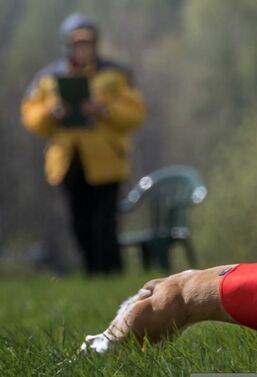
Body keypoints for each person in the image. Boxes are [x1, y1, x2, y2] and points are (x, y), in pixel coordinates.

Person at [20, 13, 146, 275]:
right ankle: (90, 272)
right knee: (79, 221)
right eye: (77, 44)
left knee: (105, 222)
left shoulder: (115, 74)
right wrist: (51, 113)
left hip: (107, 161)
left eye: (87, 43)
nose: (83, 49)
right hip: (68, 161)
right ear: (67, 46)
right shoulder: (48, 78)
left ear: (95, 44)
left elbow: (136, 112)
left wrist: (105, 110)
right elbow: (30, 115)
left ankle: (111, 273)